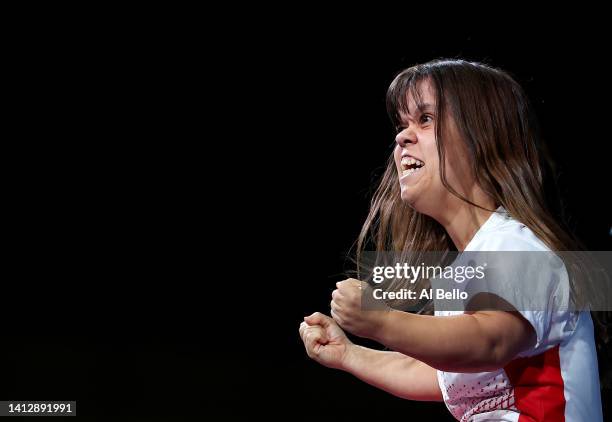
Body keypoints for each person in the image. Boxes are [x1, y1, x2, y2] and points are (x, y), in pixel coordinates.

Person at [299, 59, 603, 421]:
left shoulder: (516, 246)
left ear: (481, 138)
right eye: (402, 124)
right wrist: (348, 354)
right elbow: (444, 374)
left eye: (425, 119)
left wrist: (380, 320)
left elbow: (488, 340)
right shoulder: (469, 266)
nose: (401, 137)